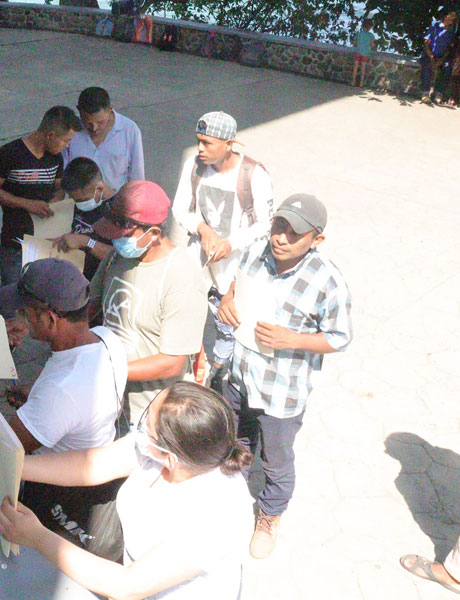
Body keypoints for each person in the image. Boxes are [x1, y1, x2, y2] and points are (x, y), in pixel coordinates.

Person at [0, 381, 254, 599]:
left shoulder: (217, 517)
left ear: (170, 458)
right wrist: (14, 466)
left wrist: (37, 537)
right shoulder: (168, 446)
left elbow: (128, 586)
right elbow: (93, 465)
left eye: (146, 427)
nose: (138, 429)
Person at [217, 194, 352, 559]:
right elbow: (234, 289)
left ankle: (270, 514)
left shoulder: (327, 280)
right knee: (236, 441)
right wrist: (228, 303)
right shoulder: (256, 253)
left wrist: (292, 339)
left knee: (275, 460)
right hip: (240, 376)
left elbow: (340, 338)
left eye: (295, 234)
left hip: (281, 392)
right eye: (279, 226)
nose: (281, 238)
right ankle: (230, 497)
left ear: (316, 239)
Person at [0, 258, 128, 558]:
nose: (22, 319)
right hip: (92, 465)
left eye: (25, 313)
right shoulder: (107, 339)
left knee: (34, 561)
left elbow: (0, 451)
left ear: (50, 319)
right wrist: (36, 400)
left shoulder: (60, 393)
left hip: (55, 494)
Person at [171, 111, 273, 391]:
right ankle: (192, 372)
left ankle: (220, 378)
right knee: (186, 320)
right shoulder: (194, 167)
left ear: (229, 144)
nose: (200, 148)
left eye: (207, 143)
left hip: (234, 272)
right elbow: (180, 209)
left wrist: (231, 243)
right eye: (198, 141)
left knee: (227, 329)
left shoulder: (253, 175)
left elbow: (265, 225)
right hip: (199, 265)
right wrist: (203, 229)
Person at [89, 180, 206, 421]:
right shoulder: (115, 258)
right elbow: (89, 307)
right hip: (110, 400)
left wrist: (109, 370)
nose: (115, 241)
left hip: (153, 414)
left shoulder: (181, 276)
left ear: (153, 233)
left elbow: (172, 362)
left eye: (123, 235)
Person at [0, 106, 82, 286]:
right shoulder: (8, 154)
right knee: (13, 294)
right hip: (15, 244)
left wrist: (54, 202)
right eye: (65, 140)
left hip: (47, 244)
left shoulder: (56, 157)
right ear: (50, 135)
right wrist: (26, 204)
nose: (67, 146)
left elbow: (59, 188)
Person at [63, 87, 144, 191]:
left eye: (100, 122)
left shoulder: (129, 130)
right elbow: (62, 173)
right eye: (88, 122)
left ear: (110, 109)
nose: (94, 128)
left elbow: (137, 177)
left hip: (115, 198)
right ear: (79, 110)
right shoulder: (70, 130)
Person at [52, 157, 115, 280]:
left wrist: (86, 242)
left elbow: (121, 257)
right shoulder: (76, 205)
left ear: (99, 188)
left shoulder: (120, 209)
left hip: (103, 281)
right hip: (75, 279)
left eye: (82, 200)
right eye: (75, 200)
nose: (79, 204)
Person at [420, 11, 458, 103]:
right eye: (450, 18)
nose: (451, 21)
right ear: (445, 17)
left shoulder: (451, 31)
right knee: (427, 67)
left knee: (447, 68)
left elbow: (449, 47)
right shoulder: (435, 25)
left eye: (453, 19)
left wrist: (442, 59)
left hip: (441, 57)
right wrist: (432, 57)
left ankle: (438, 94)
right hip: (429, 54)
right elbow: (426, 43)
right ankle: (425, 94)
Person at [352, 19, 376, 87]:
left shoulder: (358, 33)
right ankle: (361, 83)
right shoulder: (371, 35)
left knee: (355, 67)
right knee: (363, 67)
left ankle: (353, 81)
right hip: (365, 54)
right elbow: (372, 45)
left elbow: (354, 43)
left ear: (362, 26)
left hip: (358, 52)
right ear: (370, 27)